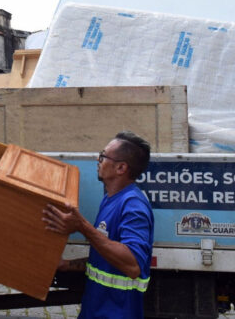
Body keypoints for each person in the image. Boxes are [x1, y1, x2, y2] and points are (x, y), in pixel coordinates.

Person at [42, 131, 154, 319]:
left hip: (117, 313)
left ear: (121, 168)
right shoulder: (110, 199)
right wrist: (67, 265)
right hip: (95, 310)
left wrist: (82, 226)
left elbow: (133, 265)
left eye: (103, 156)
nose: (98, 159)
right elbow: (105, 256)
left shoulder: (133, 206)